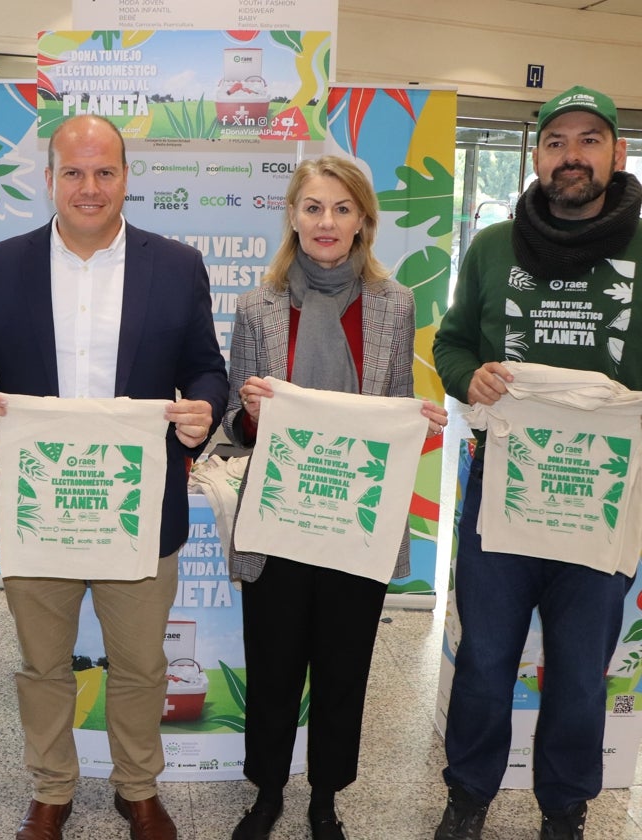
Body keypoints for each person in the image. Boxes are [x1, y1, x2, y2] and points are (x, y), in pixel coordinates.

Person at [0, 114, 228, 840]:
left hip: (139, 508)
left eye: (105, 172)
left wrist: (204, 406)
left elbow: (205, 365)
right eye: (73, 172)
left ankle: (138, 787)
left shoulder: (177, 265)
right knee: (43, 665)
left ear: (128, 178)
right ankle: (52, 788)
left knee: (140, 664)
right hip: (40, 509)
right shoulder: (1, 266)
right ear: (49, 181)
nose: (90, 187)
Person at [432, 85, 642, 840]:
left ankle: (564, 808)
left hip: (606, 496)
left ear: (616, 154)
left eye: (590, 140)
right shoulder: (491, 246)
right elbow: (451, 342)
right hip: (504, 489)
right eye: (556, 142)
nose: (572, 156)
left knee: (582, 668)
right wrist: (470, 377)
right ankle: (468, 797)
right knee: (485, 656)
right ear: (536, 156)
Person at [222, 156, 447, 840]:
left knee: (344, 667)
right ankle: (266, 791)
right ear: (292, 216)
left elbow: (386, 412)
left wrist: (417, 419)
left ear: (363, 222)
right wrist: (254, 411)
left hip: (357, 523)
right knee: (274, 663)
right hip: (279, 519)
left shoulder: (395, 304)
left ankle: (325, 797)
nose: (327, 222)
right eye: (314, 207)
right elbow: (235, 425)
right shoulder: (257, 307)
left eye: (342, 209)